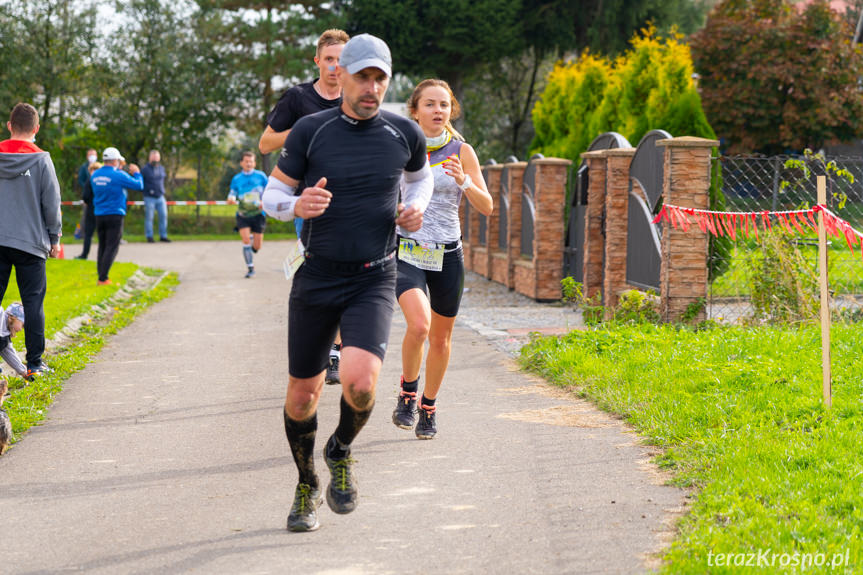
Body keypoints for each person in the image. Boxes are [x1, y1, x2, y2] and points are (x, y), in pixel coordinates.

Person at [261, 33, 433, 532]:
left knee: (359, 385)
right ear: (342, 76)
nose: (372, 87)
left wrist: (414, 209)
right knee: (302, 397)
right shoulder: (311, 131)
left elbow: (419, 178)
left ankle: (340, 449)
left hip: (373, 277)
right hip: (315, 276)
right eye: (364, 77)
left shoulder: (404, 133)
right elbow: (270, 196)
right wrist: (295, 205)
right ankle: (305, 483)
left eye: (381, 78)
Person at [391, 79, 493, 439]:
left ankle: (428, 407)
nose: (438, 111)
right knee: (419, 326)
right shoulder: (399, 146)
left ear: (451, 110)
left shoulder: (462, 151)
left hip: (448, 253)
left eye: (444, 105)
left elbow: (488, 206)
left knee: (441, 339)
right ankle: (407, 391)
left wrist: (465, 181)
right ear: (415, 110)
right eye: (430, 104)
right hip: (407, 251)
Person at [259, 28, 349, 384]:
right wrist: (304, 130)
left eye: (342, 60)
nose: (335, 66)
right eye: (329, 59)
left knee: (351, 277)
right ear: (318, 61)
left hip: (352, 204)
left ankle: (335, 352)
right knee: (319, 278)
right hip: (310, 204)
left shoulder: (356, 98)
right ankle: (320, 344)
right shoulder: (298, 99)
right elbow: (266, 143)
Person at [0, 103, 61, 380]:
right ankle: (35, 363)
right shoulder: (42, 159)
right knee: (33, 303)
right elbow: (51, 204)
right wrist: (55, 237)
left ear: (10, 126)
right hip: (30, 243)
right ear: (36, 129)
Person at [90, 147, 143, 285]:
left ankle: (101, 275)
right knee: (112, 246)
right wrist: (137, 173)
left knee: (102, 245)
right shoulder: (118, 175)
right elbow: (139, 185)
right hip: (115, 214)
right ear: (115, 160)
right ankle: (103, 278)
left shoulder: (95, 175)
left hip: (99, 214)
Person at [227, 151, 268, 278]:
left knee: (257, 246)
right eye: (246, 161)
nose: (248, 163)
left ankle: (253, 242)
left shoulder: (261, 176)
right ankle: (250, 268)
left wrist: (264, 201)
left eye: (251, 161)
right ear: (241, 163)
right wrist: (231, 198)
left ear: (254, 163)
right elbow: (232, 193)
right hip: (243, 214)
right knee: (245, 240)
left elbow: (269, 192)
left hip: (258, 214)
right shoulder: (237, 179)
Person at [141, 149, 170, 243]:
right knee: (149, 217)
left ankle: (163, 236)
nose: (155, 159)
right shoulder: (145, 169)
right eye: (154, 157)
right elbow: (141, 183)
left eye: (157, 157)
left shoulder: (161, 168)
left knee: (163, 216)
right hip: (149, 197)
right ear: (150, 157)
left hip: (160, 196)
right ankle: (149, 236)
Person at [76, 161, 101, 260]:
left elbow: (85, 196)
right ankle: (102, 255)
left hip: (91, 209)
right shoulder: (104, 181)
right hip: (102, 209)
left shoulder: (90, 180)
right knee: (102, 234)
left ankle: (84, 254)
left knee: (88, 234)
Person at [0, 302, 29, 380]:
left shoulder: (4, 335)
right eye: (23, 325)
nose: (21, 329)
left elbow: (8, 352)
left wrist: (23, 371)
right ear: (15, 317)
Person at [75, 148, 97, 239]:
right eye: (90, 154)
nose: (92, 156)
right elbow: (80, 180)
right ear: (87, 156)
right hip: (88, 195)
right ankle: (82, 234)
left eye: (94, 154)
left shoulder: (99, 166)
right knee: (86, 215)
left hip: (98, 195)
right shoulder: (84, 167)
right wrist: (87, 187)